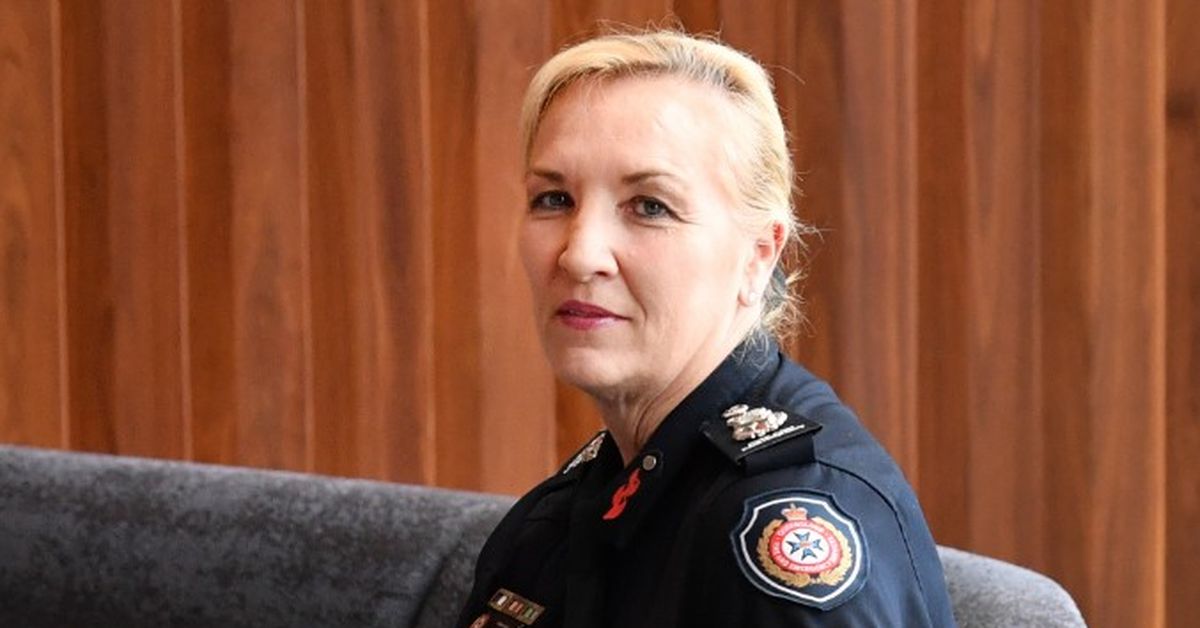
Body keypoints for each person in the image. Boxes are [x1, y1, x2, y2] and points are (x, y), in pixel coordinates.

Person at [457, 29, 956, 628]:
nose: (579, 254)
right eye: (554, 199)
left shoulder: (776, 531)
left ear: (758, 256)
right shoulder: (580, 503)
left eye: (650, 207)